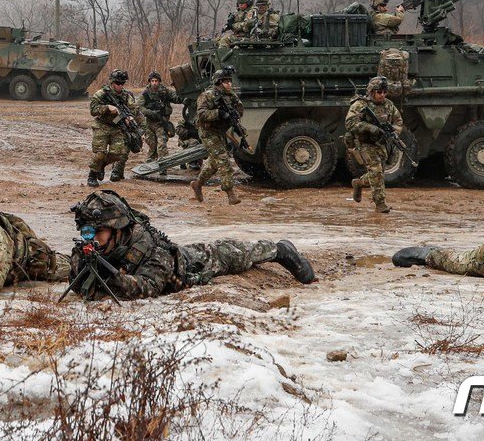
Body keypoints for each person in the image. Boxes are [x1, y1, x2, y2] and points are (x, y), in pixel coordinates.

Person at [64, 190, 315, 301]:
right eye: (87, 232)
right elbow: (74, 280)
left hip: (187, 264)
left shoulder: (153, 250)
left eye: (98, 232)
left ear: (118, 230)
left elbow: (148, 288)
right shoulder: (93, 246)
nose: (92, 238)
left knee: (233, 253)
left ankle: (279, 250)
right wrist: (83, 265)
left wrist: (112, 276)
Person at [344, 76, 404, 214]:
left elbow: (398, 121)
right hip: (364, 143)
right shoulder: (360, 105)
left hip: (381, 144)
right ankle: (380, 204)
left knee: (378, 174)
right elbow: (349, 123)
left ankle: (359, 183)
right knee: (376, 172)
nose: (382, 95)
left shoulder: (388, 105)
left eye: (384, 92)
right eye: (379, 92)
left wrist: (393, 133)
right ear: (371, 92)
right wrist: (369, 127)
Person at [190, 69, 242, 204]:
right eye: (226, 81)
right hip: (207, 131)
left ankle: (197, 184)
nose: (229, 84)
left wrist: (234, 115)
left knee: (214, 163)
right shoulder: (207, 95)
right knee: (223, 160)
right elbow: (201, 114)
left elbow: (239, 109)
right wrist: (218, 113)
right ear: (218, 82)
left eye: (230, 81)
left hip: (220, 131)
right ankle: (231, 194)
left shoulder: (231, 96)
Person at [87, 69, 138, 187]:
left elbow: (133, 109)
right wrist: (107, 107)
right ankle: (92, 175)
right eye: (117, 83)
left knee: (118, 154)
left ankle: (101, 166)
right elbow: (93, 110)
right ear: (112, 83)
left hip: (116, 126)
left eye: (122, 84)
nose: (120, 86)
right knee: (100, 154)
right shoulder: (101, 94)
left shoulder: (126, 95)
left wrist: (128, 117)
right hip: (102, 125)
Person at [139, 71, 180, 168]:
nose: (154, 83)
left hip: (161, 123)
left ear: (159, 81)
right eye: (152, 81)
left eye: (156, 81)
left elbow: (176, 98)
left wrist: (181, 93)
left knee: (162, 144)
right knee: (152, 144)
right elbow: (139, 107)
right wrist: (150, 112)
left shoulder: (165, 91)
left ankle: (164, 164)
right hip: (149, 123)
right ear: (149, 82)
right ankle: (151, 163)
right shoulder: (145, 93)